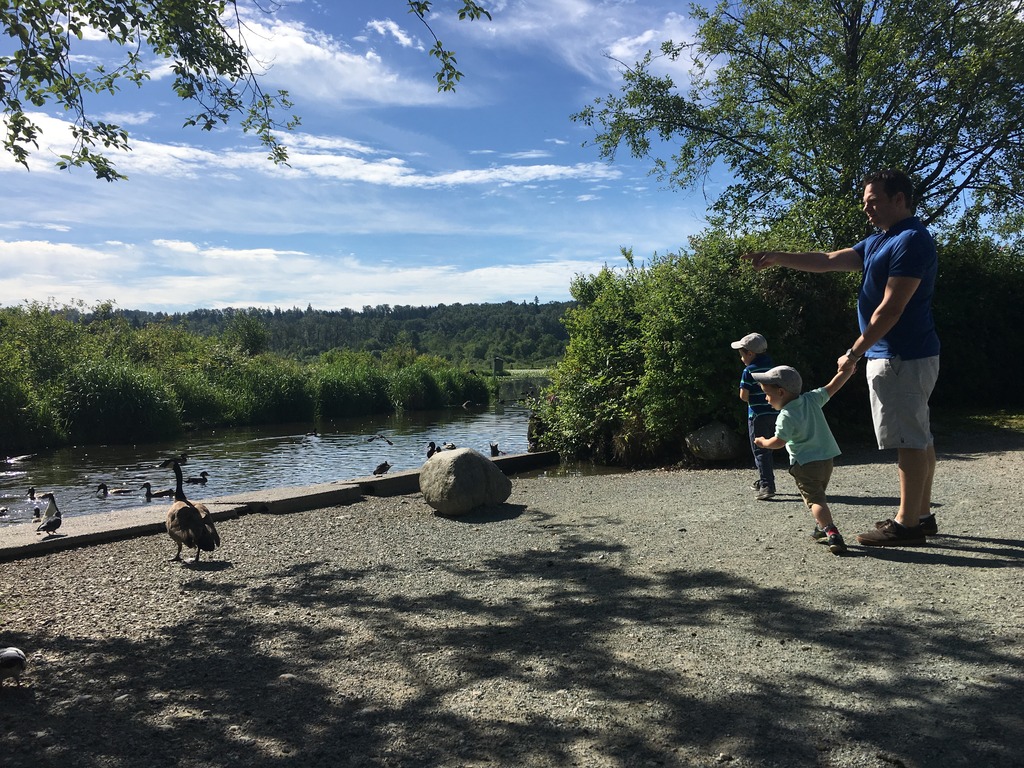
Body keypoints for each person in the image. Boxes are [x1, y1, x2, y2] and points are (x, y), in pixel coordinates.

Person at [743, 169, 939, 547]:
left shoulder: (911, 240)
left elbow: (891, 309)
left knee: (909, 440)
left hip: (899, 355)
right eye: (865, 203)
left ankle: (907, 525)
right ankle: (921, 515)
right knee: (919, 436)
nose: (867, 209)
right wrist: (778, 257)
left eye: (873, 202)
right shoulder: (883, 240)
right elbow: (829, 258)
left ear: (900, 199)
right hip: (903, 354)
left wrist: (854, 352)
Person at [752, 364, 856, 555]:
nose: (766, 400)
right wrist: (847, 371)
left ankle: (832, 532)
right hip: (826, 460)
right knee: (819, 494)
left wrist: (763, 442)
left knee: (816, 501)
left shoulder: (785, 416)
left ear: (781, 392)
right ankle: (821, 526)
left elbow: (778, 442)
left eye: (767, 394)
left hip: (805, 464)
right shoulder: (811, 399)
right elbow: (833, 386)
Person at [730, 332, 777, 500]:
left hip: (757, 415)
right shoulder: (772, 368)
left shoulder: (748, 371)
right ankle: (765, 478)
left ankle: (767, 484)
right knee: (769, 447)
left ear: (750, 353)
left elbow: (743, 396)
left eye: (742, 355)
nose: (741, 358)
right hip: (775, 413)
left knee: (759, 449)